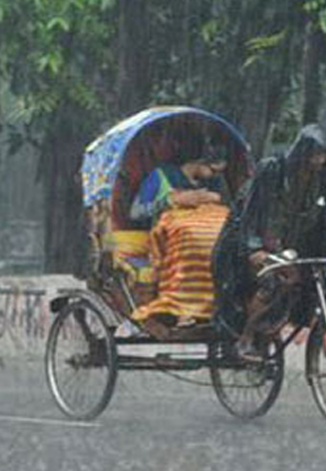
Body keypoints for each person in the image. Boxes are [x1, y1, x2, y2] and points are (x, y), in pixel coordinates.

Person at [213, 124, 326, 358]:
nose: (318, 162)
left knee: (311, 281)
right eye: (315, 155)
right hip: (244, 243)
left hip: (288, 247)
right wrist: (254, 249)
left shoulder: (321, 178)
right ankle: (247, 336)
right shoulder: (272, 170)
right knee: (273, 280)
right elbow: (251, 213)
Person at [128, 145, 232, 336]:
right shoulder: (161, 176)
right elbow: (136, 213)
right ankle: (180, 308)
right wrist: (172, 201)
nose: (214, 176)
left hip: (206, 238)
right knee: (187, 255)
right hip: (171, 239)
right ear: (199, 162)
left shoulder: (214, 182)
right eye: (213, 170)